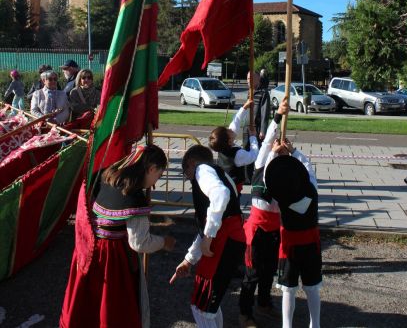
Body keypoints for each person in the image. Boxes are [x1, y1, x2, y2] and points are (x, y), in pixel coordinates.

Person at [60, 144, 176, 328]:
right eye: (159, 175)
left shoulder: (107, 175)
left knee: (88, 301)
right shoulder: (133, 197)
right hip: (111, 256)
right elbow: (139, 243)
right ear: (151, 168)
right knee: (111, 306)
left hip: (88, 247)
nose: (156, 181)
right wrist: (164, 242)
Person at [170, 145, 246, 328]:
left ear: (191, 163)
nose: (189, 178)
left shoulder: (202, 170)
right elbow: (206, 227)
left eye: (186, 172)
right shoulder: (218, 172)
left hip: (224, 239)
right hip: (226, 239)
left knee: (202, 308)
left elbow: (220, 194)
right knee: (208, 307)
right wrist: (189, 259)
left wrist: (209, 236)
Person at [238, 97, 289, 328]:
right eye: (279, 145)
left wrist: (289, 153)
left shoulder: (287, 171)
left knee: (269, 272)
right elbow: (268, 139)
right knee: (252, 275)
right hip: (257, 231)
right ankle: (244, 314)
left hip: (273, 231)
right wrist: (278, 115)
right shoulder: (262, 163)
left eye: (284, 145)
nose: (280, 145)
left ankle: (264, 303)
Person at [265, 141, 321, 328]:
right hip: (311, 243)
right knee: (312, 288)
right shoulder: (312, 188)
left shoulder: (280, 195)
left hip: (289, 244)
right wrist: (293, 151)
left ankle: (287, 326)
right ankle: (315, 324)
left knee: (288, 290)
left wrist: (273, 154)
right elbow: (308, 167)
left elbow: (267, 178)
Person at [208, 98, 258, 192]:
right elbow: (253, 155)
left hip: (224, 182)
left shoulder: (223, 146)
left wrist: (244, 107)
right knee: (233, 202)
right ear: (229, 141)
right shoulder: (238, 154)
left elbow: (236, 122)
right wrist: (253, 137)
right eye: (228, 131)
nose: (230, 129)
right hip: (234, 186)